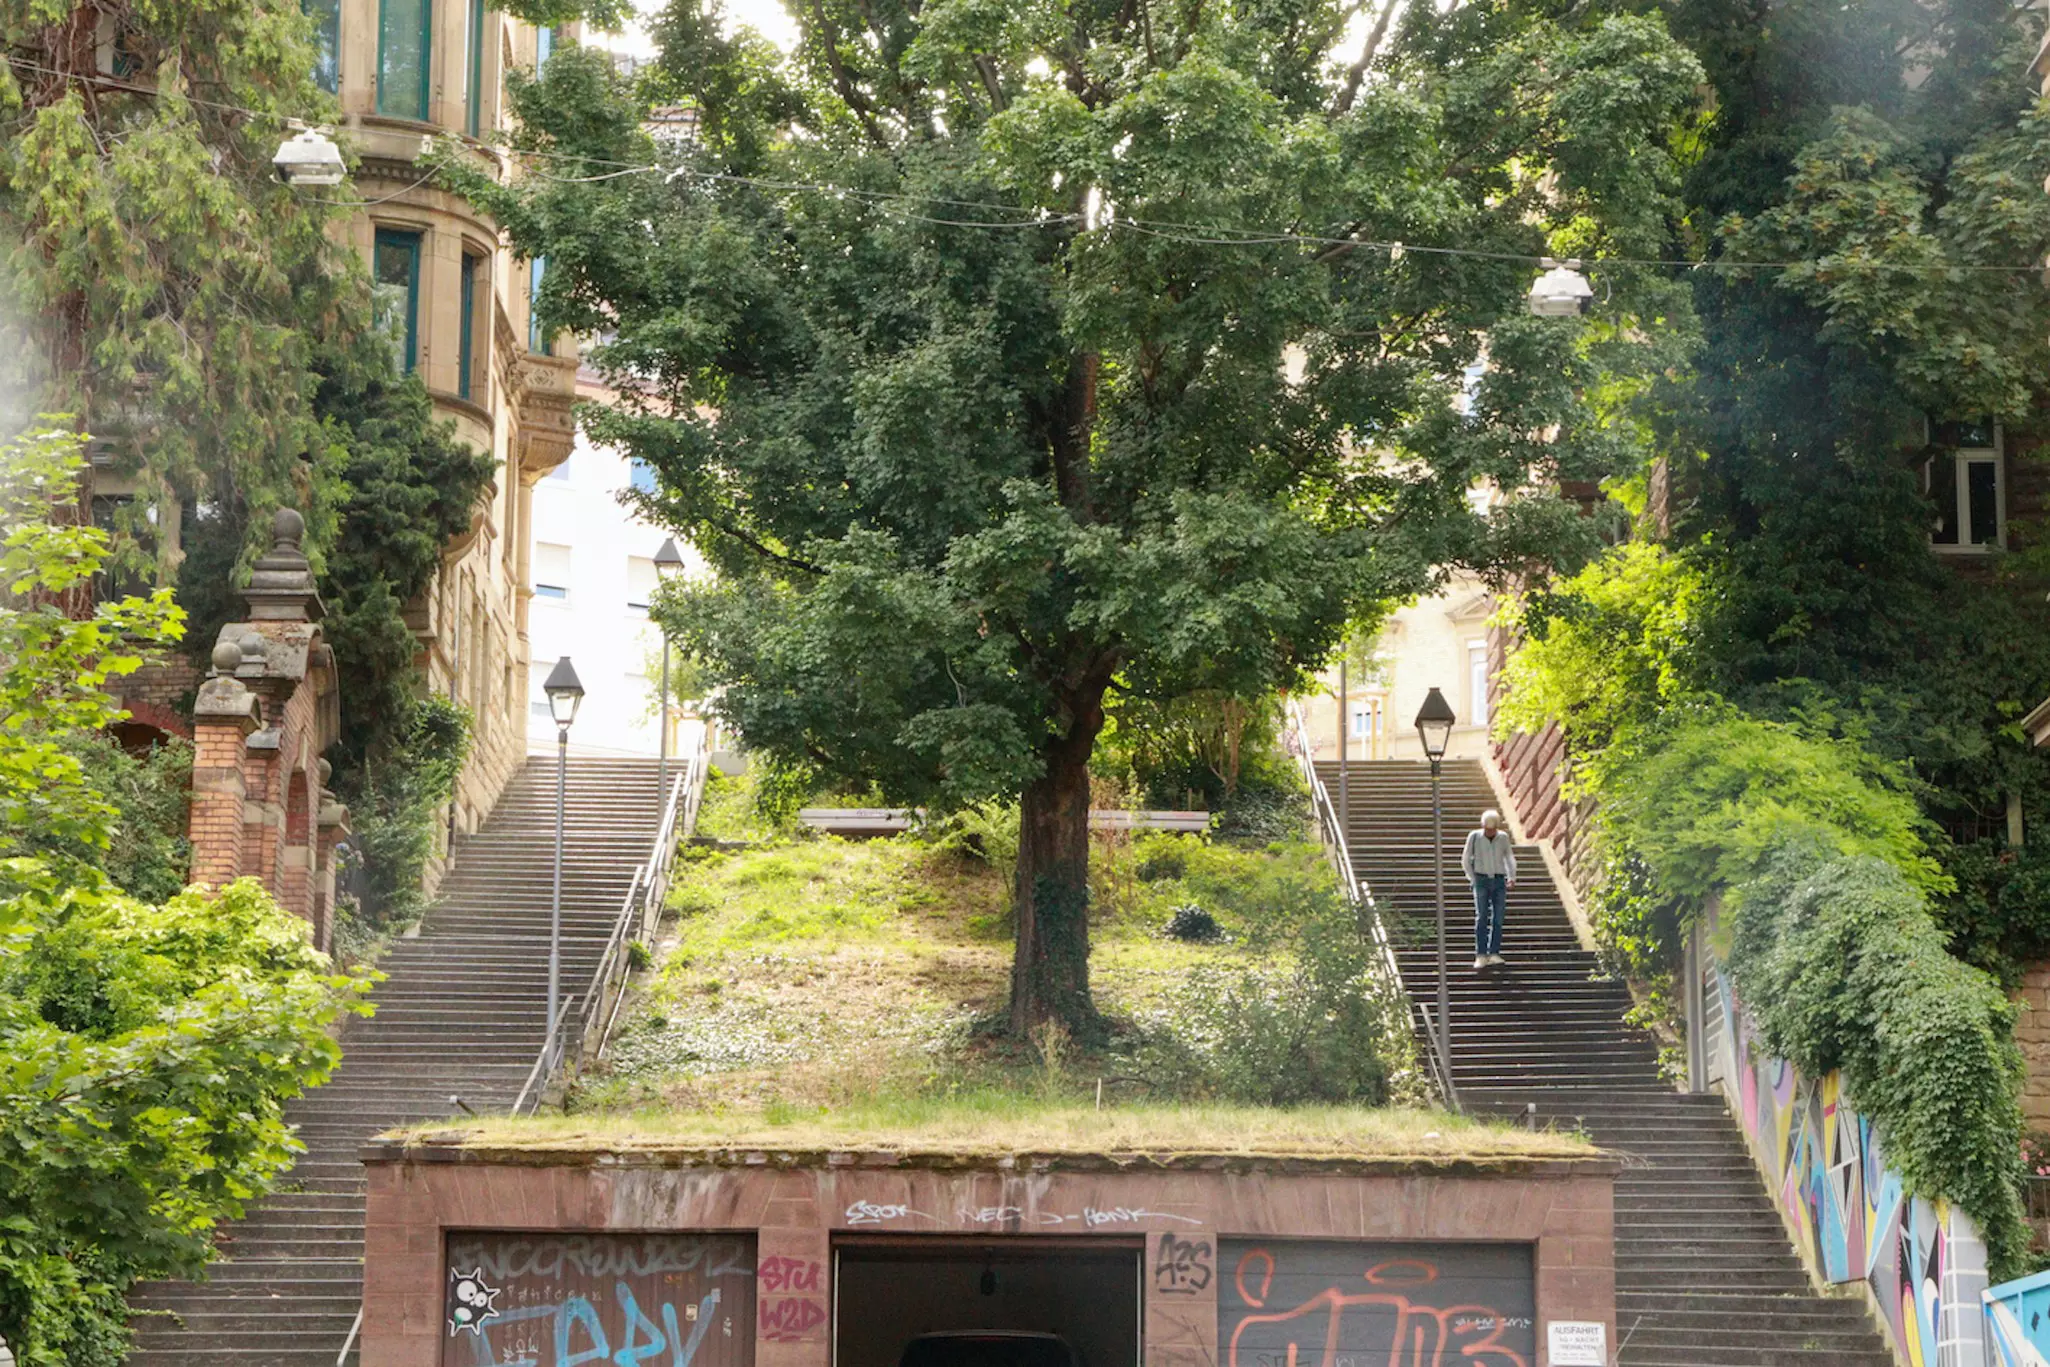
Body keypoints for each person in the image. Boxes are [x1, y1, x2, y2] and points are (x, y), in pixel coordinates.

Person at [1461, 809, 1517, 970]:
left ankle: (1494, 952)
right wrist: (1472, 878)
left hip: (1499, 880)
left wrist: (1511, 876)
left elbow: (1509, 857)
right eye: (1487, 828)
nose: (1489, 831)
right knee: (1482, 917)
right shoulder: (1475, 837)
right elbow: (1465, 858)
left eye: (1492, 829)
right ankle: (1481, 954)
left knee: (1498, 917)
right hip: (1481, 879)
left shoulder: (1503, 837)